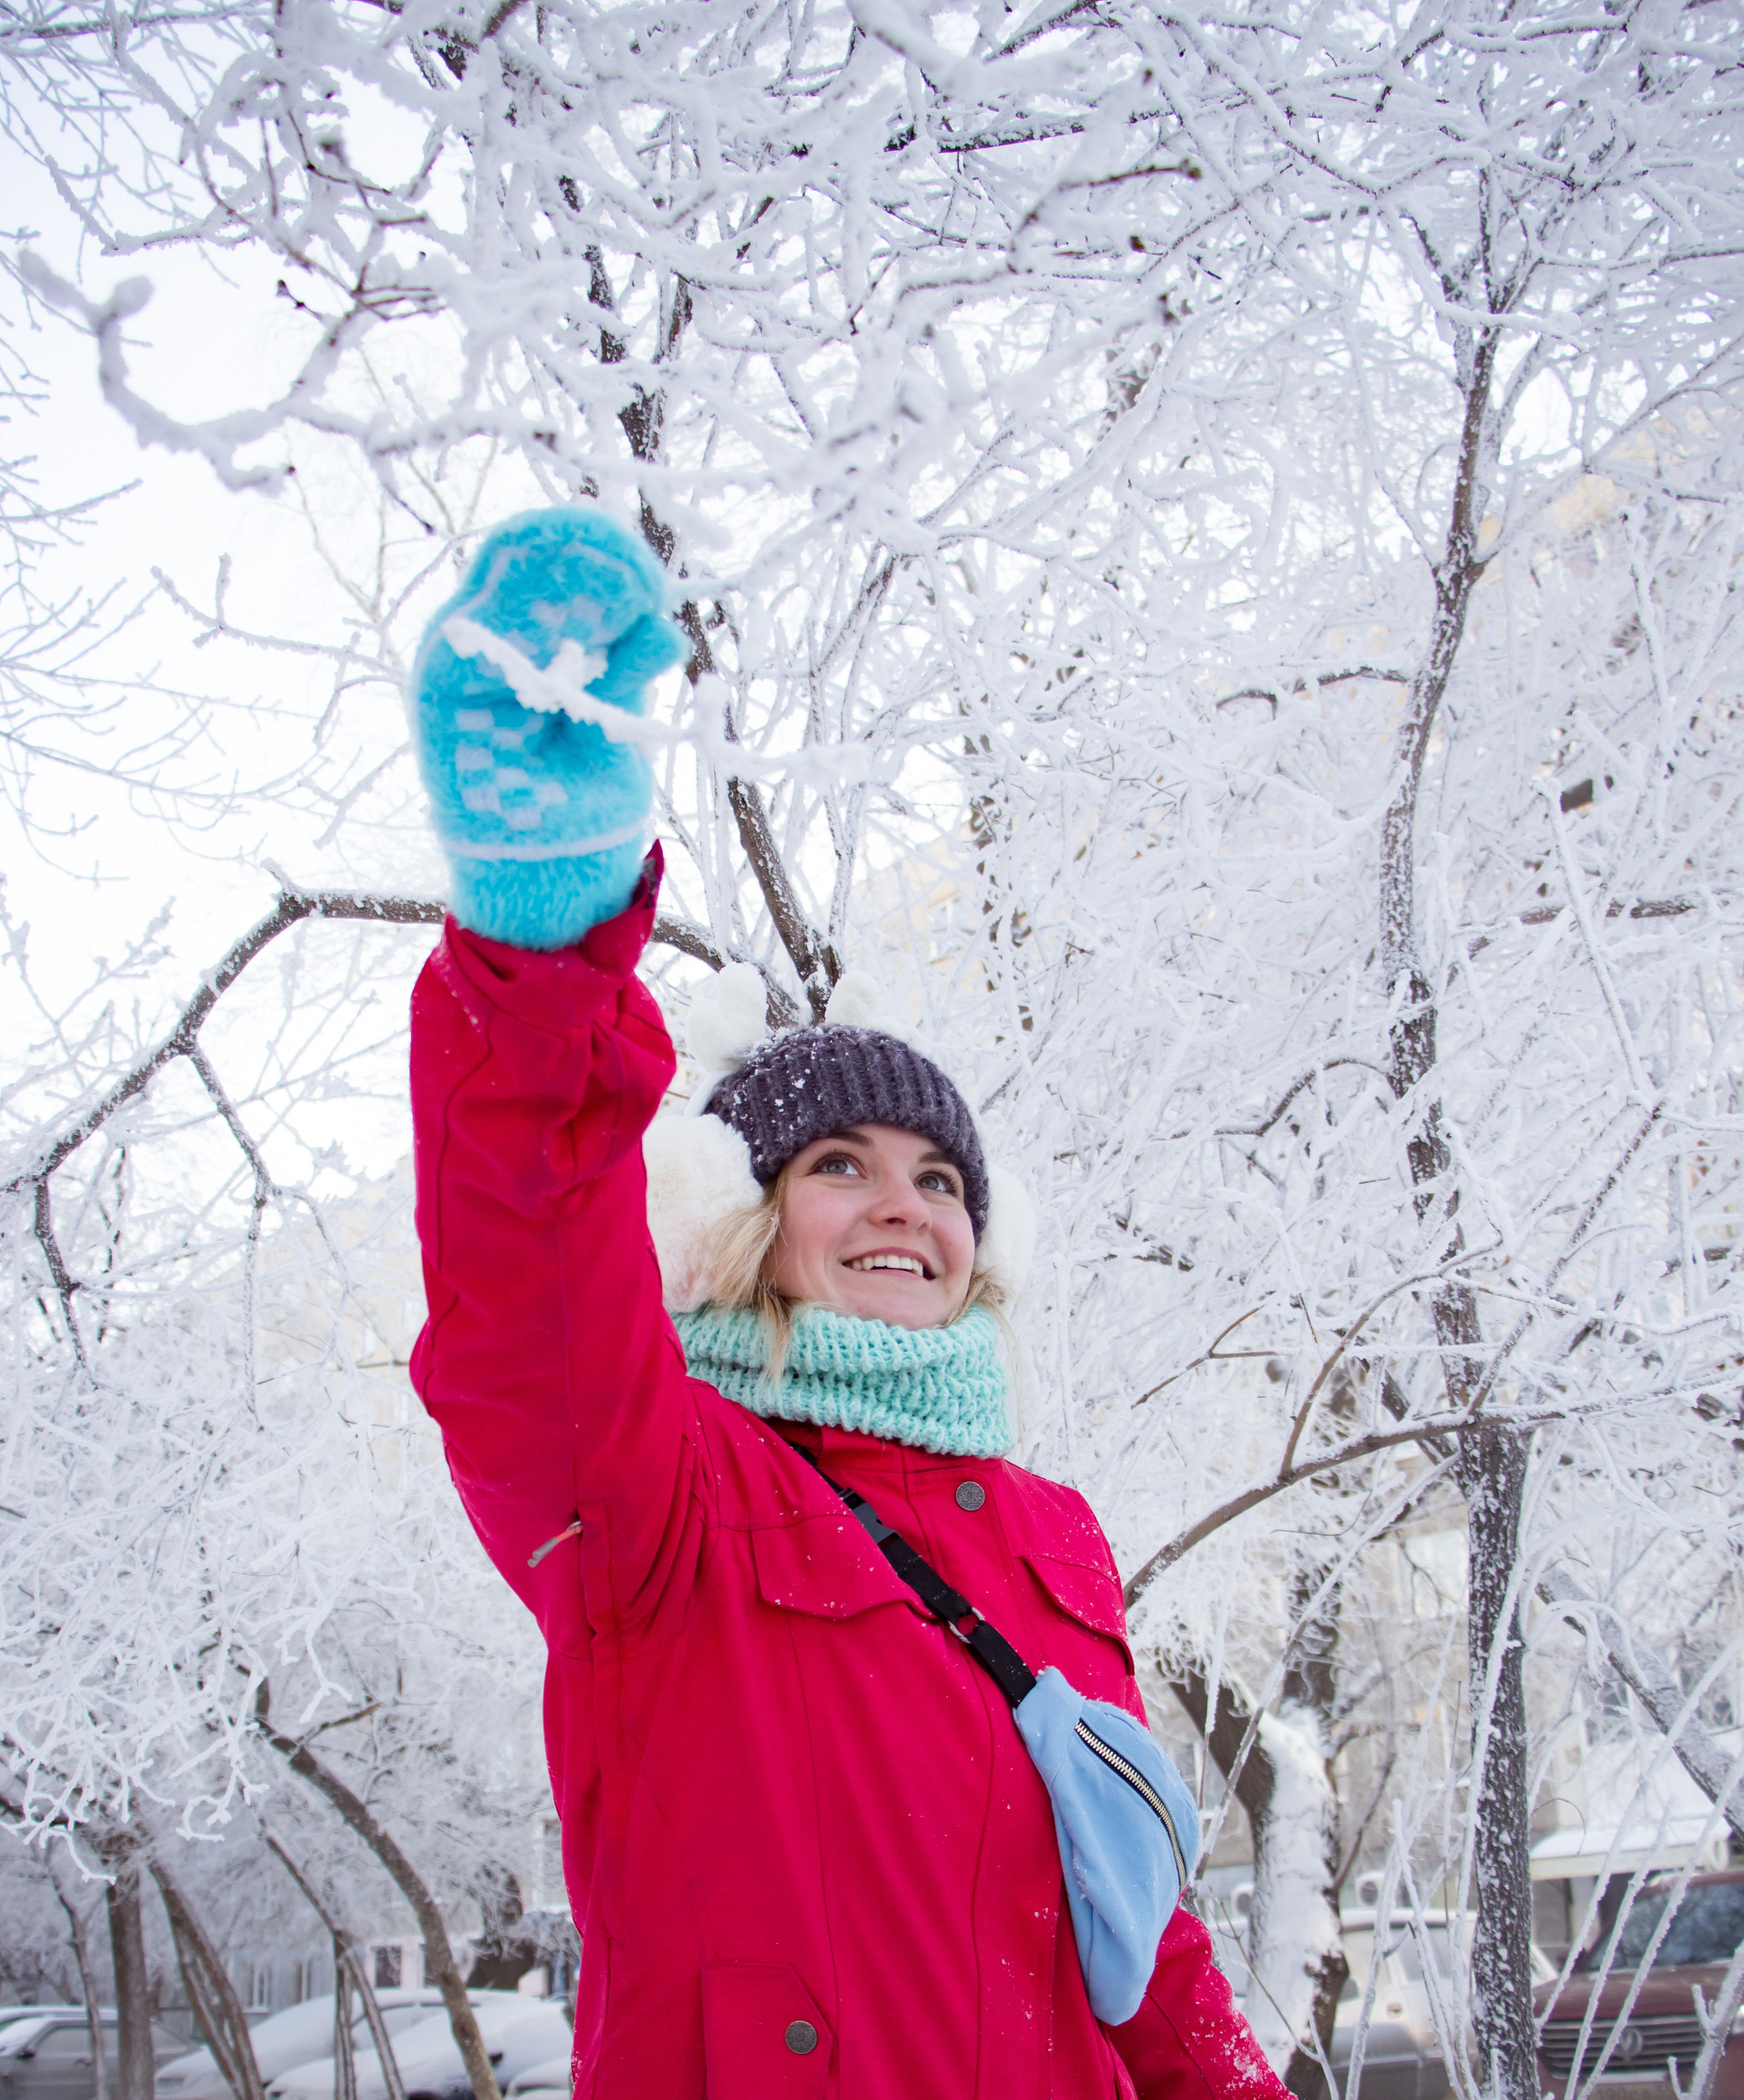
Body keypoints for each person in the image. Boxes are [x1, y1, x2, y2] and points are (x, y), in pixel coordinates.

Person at [405, 508, 1286, 2100]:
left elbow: (1135, 1927)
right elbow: (524, 1295)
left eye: (942, 1181)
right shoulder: (653, 1491)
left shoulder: (1050, 1532)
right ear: (750, 1225)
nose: (904, 1204)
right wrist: (541, 943)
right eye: (839, 1164)